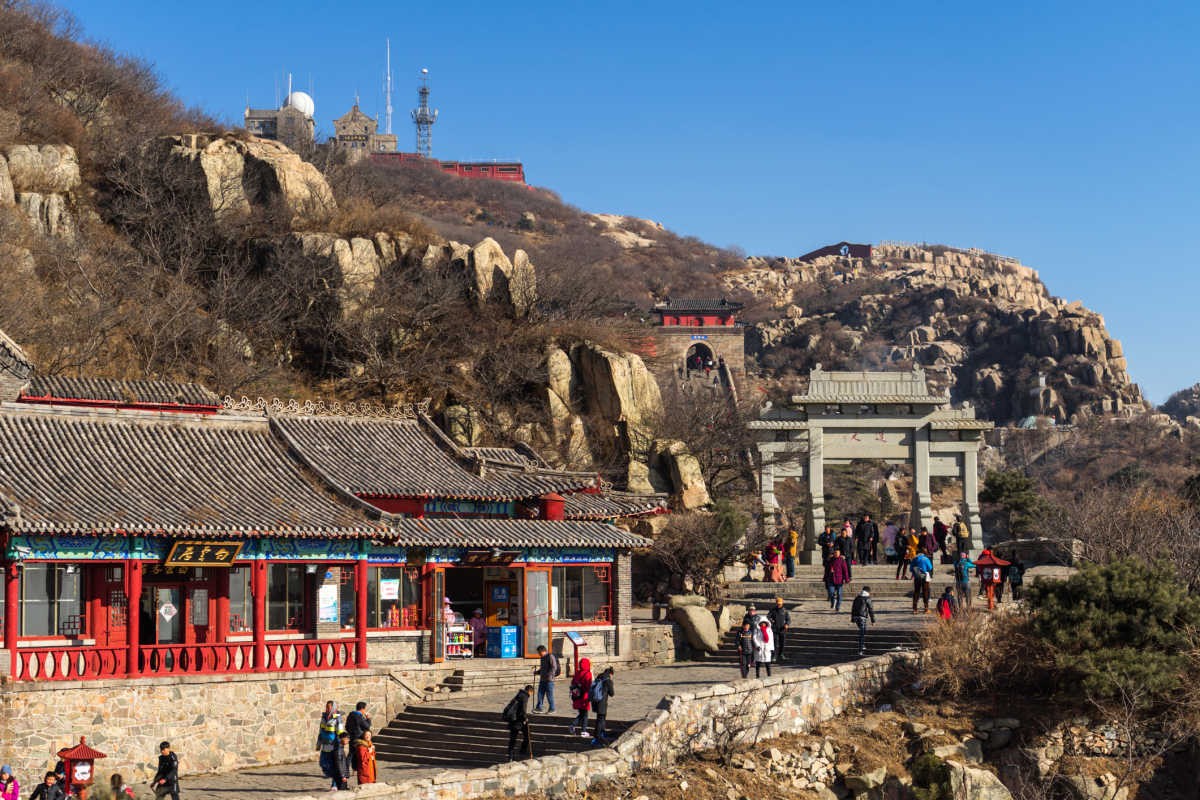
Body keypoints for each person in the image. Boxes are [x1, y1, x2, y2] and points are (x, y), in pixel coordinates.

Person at [316, 700, 344, 790]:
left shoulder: (337, 718)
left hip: (334, 745)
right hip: (325, 745)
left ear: (333, 708)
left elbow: (340, 732)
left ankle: (334, 784)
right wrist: (318, 744)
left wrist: (340, 744)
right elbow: (321, 731)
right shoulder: (324, 717)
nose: (327, 708)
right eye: (326, 706)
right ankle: (335, 777)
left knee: (334, 765)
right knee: (323, 764)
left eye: (329, 707)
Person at [502, 684, 533, 761]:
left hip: (513, 720)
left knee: (513, 739)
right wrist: (525, 719)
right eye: (532, 693)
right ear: (530, 691)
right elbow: (523, 710)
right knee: (527, 736)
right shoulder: (525, 696)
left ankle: (510, 756)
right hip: (519, 721)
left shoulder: (519, 695)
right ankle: (522, 751)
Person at [567, 657, 593, 737]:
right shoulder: (588, 674)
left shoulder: (577, 673)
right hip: (584, 696)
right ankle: (583, 731)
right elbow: (589, 686)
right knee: (584, 714)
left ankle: (574, 726)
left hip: (577, 696)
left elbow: (573, 682)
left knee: (581, 713)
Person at [590, 666, 615, 745]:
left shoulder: (599, 677)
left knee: (601, 718)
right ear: (611, 674)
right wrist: (611, 683)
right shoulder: (608, 680)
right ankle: (596, 738)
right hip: (602, 703)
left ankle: (602, 733)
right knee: (600, 720)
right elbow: (612, 693)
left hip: (595, 701)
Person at [850, 586, 876, 656]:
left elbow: (853, 608)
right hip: (862, 617)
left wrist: (852, 618)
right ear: (868, 592)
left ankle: (863, 645)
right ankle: (860, 650)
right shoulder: (868, 598)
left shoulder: (857, 597)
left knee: (863, 631)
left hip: (856, 617)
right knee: (862, 633)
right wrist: (873, 620)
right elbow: (871, 609)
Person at [533, 644, 559, 713]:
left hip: (549, 680)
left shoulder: (550, 656)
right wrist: (537, 672)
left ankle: (552, 709)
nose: (538, 654)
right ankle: (539, 708)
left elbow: (554, 667)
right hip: (542, 679)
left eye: (539, 652)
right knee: (540, 694)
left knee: (549, 695)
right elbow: (543, 669)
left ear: (543, 651)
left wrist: (549, 675)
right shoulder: (542, 658)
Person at [910, 547, 934, 614]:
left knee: (916, 592)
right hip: (925, 577)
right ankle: (926, 608)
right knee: (925, 592)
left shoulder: (915, 559)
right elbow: (930, 567)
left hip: (917, 577)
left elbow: (911, 568)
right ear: (924, 553)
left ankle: (915, 609)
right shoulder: (926, 559)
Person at [767, 597, 790, 663]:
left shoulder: (785, 610)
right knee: (775, 643)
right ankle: (774, 655)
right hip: (775, 629)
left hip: (782, 629)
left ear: (782, 603)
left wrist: (787, 624)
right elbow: (768, 617)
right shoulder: (773, 610)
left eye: (780, 603)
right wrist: (771, 621)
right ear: (776, 603)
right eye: (778, 603)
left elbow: (788, 619)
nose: (779, 604)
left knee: (782, 642)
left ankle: (781, 654)